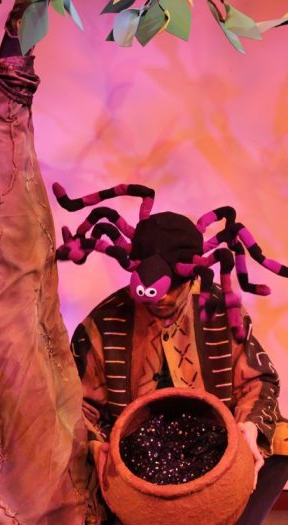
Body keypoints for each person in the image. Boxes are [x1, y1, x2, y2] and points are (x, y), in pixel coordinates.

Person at [53, 183, 288, 524]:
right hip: (133, 463)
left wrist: (248, 428)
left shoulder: (218, 308)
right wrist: (97, 446)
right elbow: (76, 402)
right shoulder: (104, 322)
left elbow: (260, 380)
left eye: (173, 290)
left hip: (217, 449)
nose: (160, 300)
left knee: (282, 438)